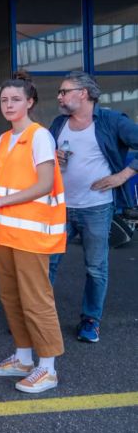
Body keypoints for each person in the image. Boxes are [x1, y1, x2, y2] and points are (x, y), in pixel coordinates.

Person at [0, 72, 66, 394]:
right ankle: (24, 358)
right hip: (5, 231)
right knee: (11, 298)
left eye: (15, 99)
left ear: (30, 102)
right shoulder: (4, 139)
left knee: (36, 300)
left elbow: (44, 184)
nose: (9, 105)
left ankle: (48, 368)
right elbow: (6, 183)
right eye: (4, 99)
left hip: (32, 233)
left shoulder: (39, 136)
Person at [48, 71, 138, 343]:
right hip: (60, 206)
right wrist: (53, 156)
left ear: (83, 93)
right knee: (47, 263)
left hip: (97, 207)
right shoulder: (58, 123)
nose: (59, 97)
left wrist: (121, 176)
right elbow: (41, 157)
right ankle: (40, 317)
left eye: (64, 91)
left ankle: (90, 320)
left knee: (96, 267)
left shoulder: (112, 121)